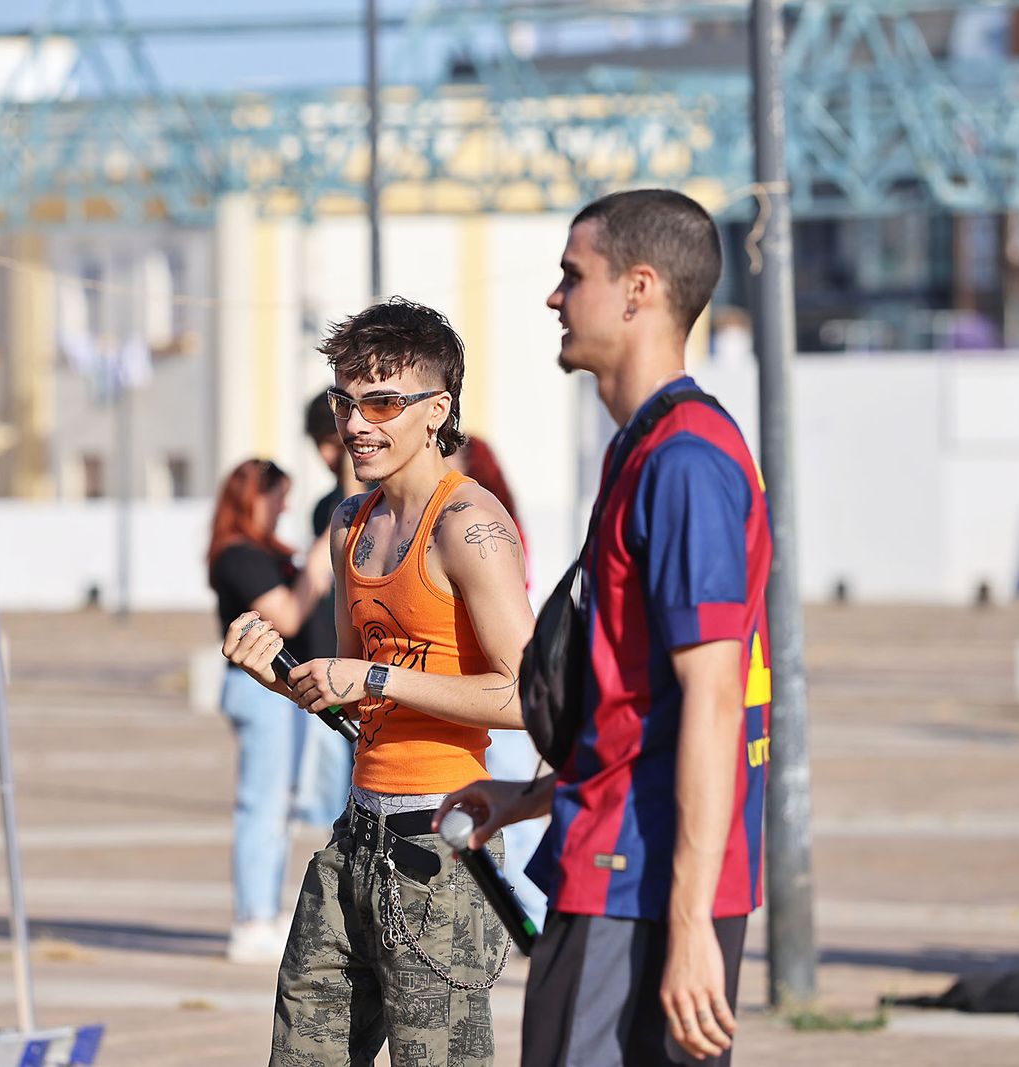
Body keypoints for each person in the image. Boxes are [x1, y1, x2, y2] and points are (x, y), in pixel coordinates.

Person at [438, 189, 773, 1067]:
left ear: (640, 289)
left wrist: (691, 921)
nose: (555, 298)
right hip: (618, 857)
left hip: (643, 883)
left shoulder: (686, 461)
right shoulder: (642, 449)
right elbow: (642, 705)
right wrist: (530, 798)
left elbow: (712, 698)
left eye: (572, 275)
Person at [223, 297, 535, 1066]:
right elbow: (361, 709)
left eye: (381, 402)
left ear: (437, 411)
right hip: (352, 843)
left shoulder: (470, 525)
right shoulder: (347, 525)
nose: (355, 423)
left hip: (439, 853)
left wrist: (375, 673)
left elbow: (529, 697)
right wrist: (286, 676)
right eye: (345, 401)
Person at [206, 458, 334, 963]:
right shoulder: (238, 555)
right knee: (262, 803)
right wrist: (319, 563)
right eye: (278, 494)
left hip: (271, 689)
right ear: (253, 497)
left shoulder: (259, 551)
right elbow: (286, 613)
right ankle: (252, 919)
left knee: (279, 803)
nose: (285, 505)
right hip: (255, 688)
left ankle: (264, 911)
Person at [449, 435, 548, 929]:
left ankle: (534, 910)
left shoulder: (486, 527)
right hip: (490, 682)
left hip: (500, 681)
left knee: (517, 800)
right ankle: (524, 909)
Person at [289, 391, 361, 829]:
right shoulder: (325, 508)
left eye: (332, 442)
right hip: (326, 659)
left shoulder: (384, 497)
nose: (327, 455)